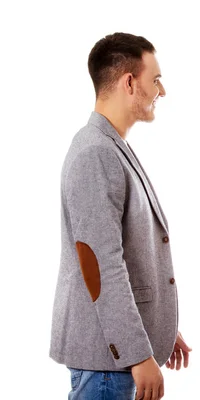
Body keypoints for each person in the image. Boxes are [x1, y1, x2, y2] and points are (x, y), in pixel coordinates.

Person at [49, 32, 191, 400]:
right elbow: (100, 265)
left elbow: (129, 252)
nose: (162, 91)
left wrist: (159, 328)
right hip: (107, 364)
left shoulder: (112, 146)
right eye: (155, 79)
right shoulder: (96, 153)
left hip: (111, 359)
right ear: (130, 82)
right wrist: (137, 352)